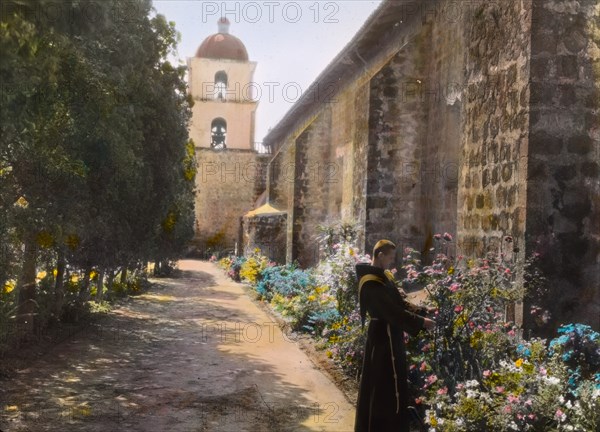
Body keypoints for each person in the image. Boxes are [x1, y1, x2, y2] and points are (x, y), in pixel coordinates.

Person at [354, 239, 436, 432]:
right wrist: (421, 323)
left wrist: (423, 311)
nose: (392, 262)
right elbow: (391, 311)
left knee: (393, 384)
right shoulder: (371, 283)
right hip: (381, 340)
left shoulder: (384, 277)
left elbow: (400, 303)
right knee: (381, 385)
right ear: (380, 255)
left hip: (393, 336)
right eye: (390, 258)